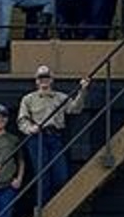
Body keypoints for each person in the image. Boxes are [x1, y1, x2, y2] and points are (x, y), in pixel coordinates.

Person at [17, 65, 90, 203]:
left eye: (46, 77)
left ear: (52, 80)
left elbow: (75, 109)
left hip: (55, 137)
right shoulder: (28, 99)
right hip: (37, 139)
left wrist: (83, 90)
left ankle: (56, 204)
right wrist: (30, 128)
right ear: (36, 81)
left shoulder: (60, 97)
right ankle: (43, 208)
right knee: (42, 176)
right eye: (41, 78)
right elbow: (22, 120)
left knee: (61, 175)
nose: (44, 80)